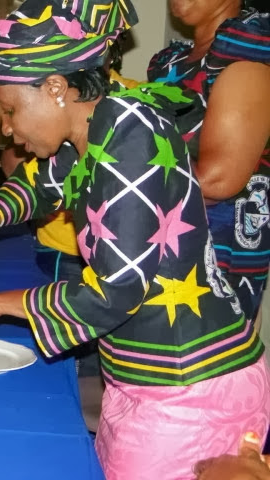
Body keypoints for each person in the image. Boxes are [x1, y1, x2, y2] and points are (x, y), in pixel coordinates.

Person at [0, 1, 270, 478]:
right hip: (147, 381)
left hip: (189, 389)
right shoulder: (101, 125)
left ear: (55, 88)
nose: (6, 128)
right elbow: (40, 181)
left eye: (9, 109)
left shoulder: (131, 138)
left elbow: (114, 291)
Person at [147, 0, 270, 323]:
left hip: (213, 260)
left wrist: (119, 182)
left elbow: (218, 181)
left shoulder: (244, 55)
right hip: (162, 248)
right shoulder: (172, 62)